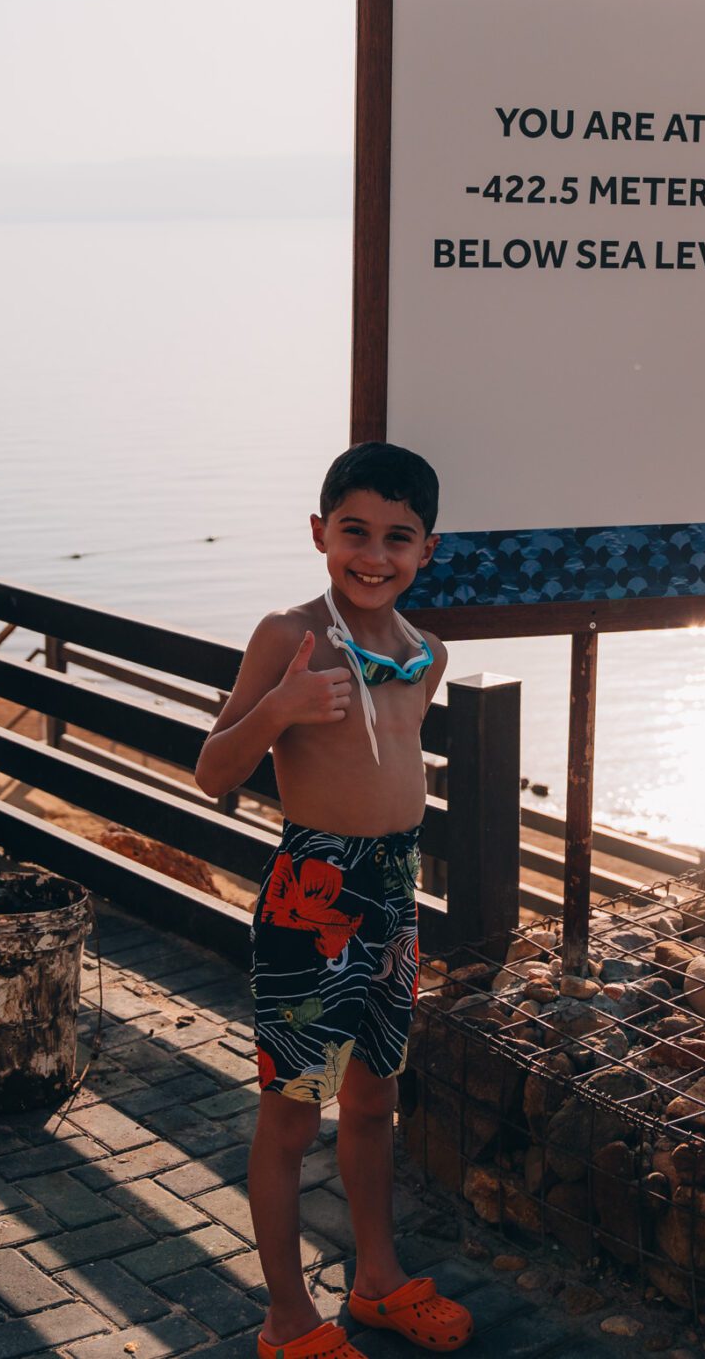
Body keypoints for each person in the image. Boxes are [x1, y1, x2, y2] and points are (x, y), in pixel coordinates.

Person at [196, 441, 473, 1359]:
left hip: (394, 893)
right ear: (320, 532)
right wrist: (278, 709)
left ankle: (378, 1281)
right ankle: (286, 1319)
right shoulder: (290, 636)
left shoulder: (427, 653)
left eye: (399, 538)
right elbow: (213, 773)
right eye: (354, 531)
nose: (374, 555)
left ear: (426, 550)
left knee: (371, 1099)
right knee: (292, 1111)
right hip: (313, 892)